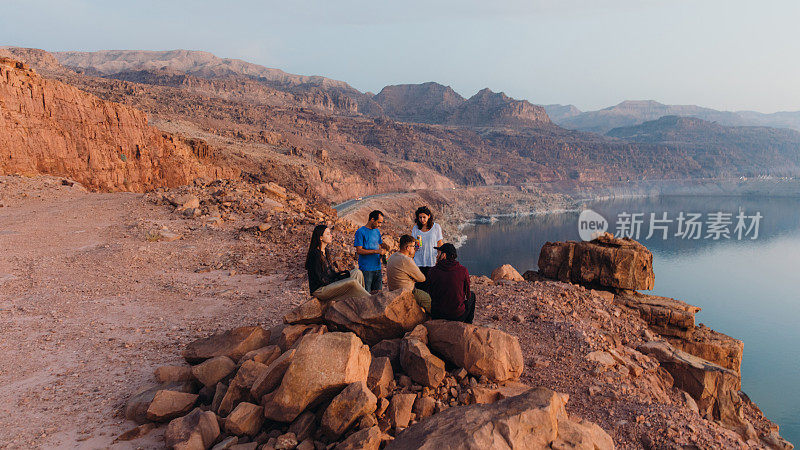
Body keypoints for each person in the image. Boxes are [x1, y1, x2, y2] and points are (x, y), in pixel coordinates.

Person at [305, 224, 370, 301]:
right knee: (352, 282)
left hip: (328, 283)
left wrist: (343, 275)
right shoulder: (315, 255)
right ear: (321, 238)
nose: (331, 235)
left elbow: (331, 273)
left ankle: (358, 300)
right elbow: (320, 279)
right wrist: (340, 279)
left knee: (357, 272)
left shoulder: (326, 251)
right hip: (320, 289)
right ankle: (370, 300)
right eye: (328, 234)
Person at [426, 243, 476, 323]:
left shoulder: (432, 271)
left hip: (437, 315)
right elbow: (468, 294)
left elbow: (429, 291)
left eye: (438, 253)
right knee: (472, 295)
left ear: (444, 255)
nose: (436, 256)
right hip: (457, 316)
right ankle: (467, 325)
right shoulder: (463, 270)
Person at [386, 234, 433, 312]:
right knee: (428, 299)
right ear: (408, 248)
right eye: (413, 246)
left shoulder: (393, 256)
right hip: (406, 292)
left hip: (392, 290)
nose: (414, 248)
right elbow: (422, 278)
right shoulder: (406, 260)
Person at [354, 210, 389, 293]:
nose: (380, 225)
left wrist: (386, 247)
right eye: (378, 222)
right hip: (366, 269)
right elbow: (359, 250)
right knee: (367, 295)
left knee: (378, 294)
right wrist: (375, 251)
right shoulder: (360, 232)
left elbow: (380, 244)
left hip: (377, 268)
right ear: (372, 219)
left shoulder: (376, 231)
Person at [411, 206, 443, 290]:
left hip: (431, 260)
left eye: (424, 217)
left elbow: (439, 243)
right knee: (420, 285)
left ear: (429, 216)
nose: (422, 220)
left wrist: (439, 257)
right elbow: (413, 243)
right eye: (420, 217)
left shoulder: (436, 227)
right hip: (419, 261)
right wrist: (415, 247)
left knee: (431, 285)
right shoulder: (415, 228)